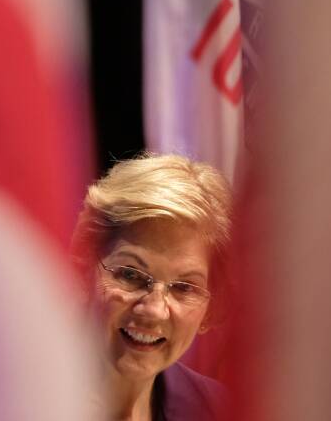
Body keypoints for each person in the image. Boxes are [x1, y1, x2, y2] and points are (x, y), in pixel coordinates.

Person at [71, 153, 232, 421]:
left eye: (184, 288)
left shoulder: (217, 410)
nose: (154, 310)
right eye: (131, 275)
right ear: (84, 265)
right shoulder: (11, 396)